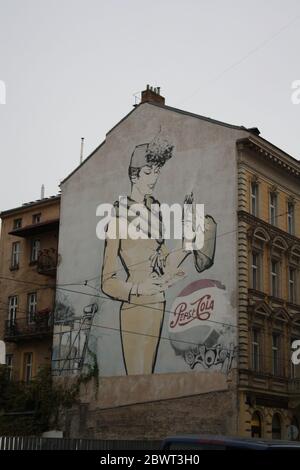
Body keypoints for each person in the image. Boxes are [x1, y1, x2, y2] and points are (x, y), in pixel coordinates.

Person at [101, 140, 216, 375]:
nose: (153, 178)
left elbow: (165, 264)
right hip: (136, 305)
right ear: (134, 175)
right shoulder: (117, 217)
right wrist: (138, 288)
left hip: (158, 302)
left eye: (157, 171)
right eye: (147, 172)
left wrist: (189, 237)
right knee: (138, 377)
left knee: (147, 377)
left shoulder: (155, 212)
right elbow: (106, 281)